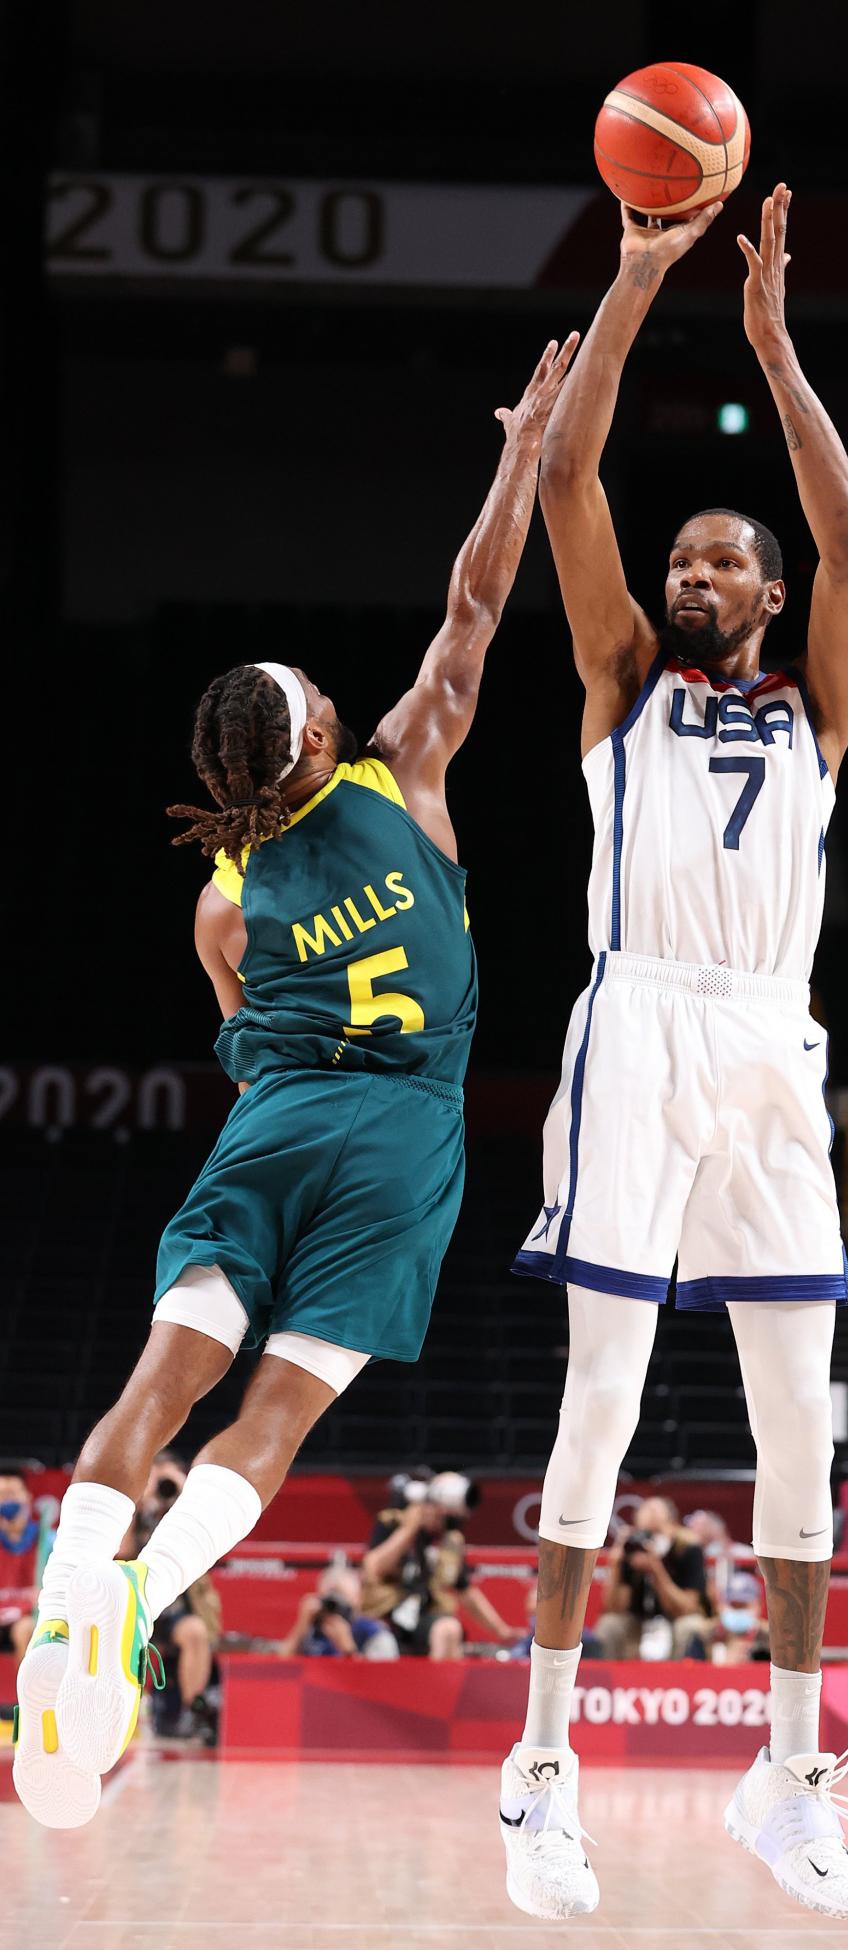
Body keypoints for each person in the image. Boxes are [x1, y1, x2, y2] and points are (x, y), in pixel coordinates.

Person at [12, 334, 579, 1832]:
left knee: (157, 1383)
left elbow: (242, 1028)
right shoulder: (405, 767)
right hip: (402, 1140)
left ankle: (63, 1597)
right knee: (269, 1422)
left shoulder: (224, 896)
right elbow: (474, 603)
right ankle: (140, 1602)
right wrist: (518, 452)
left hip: (273, 1126)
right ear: (320, 735)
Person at [499, 185, 848, 1926]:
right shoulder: (620, 683)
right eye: (681, 563)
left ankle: (786, 1778)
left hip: (769, 1044)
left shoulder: (816, 709)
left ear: (767, 592)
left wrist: (775, 351)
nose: (690, 575)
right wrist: (637, 276)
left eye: (721, 562)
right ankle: (540, 1769)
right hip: (639, 1022)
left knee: (800, 1428)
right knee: (602, 1404)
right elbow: (569, 480)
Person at [121, 1453, 222, 1743]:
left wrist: (184, 1495)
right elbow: (122, 1552)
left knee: (195, 1631)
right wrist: (137, 1504)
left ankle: (196, 1711)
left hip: (173, 1611)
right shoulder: (137, 1512)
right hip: (135, 1605)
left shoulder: (187, 1518)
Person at [362, 1472, 520, 1657]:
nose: (440, 1514)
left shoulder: (450, 1539)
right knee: (382, 1640)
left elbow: (465, 1590)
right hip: (384, 1612)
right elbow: (374, 1568)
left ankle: (437, 1678)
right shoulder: (392, 1521)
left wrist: (502, 1631)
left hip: (423, 1614)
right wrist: (410, 1529)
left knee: (448, 1629)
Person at [595, 1496, 712, 1660]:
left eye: (657, 1533)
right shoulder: (633, 1549)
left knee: (690, 1626)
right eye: (647, 1534)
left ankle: (685, 1675)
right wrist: (615, 1565)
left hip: (675, 1619)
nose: (651, 1541)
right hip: (638, 1621)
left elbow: (687, 1607)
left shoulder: (687, 1549)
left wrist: (656, 1570)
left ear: (672, 1525)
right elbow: (615, 1607)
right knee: (610, 1625)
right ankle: (610, 1676)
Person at [279, 1563, 398, 1660]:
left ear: (358, 1599)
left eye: (342, 1598)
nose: (335, 1607)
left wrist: (349, 1651)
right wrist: (301, 1626)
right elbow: (281, 1668)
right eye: (330, 1600)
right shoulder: (311, 1629)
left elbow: (383, 1678)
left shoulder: (374, 1633)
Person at [0, 1470, 40, 1664]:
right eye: (2, 1495)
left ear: (28, 1499)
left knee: (26, 1630)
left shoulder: (47, 1539)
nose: (8, 1500)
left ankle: (26, 1684)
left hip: (28, 1616)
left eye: (13, 1494)